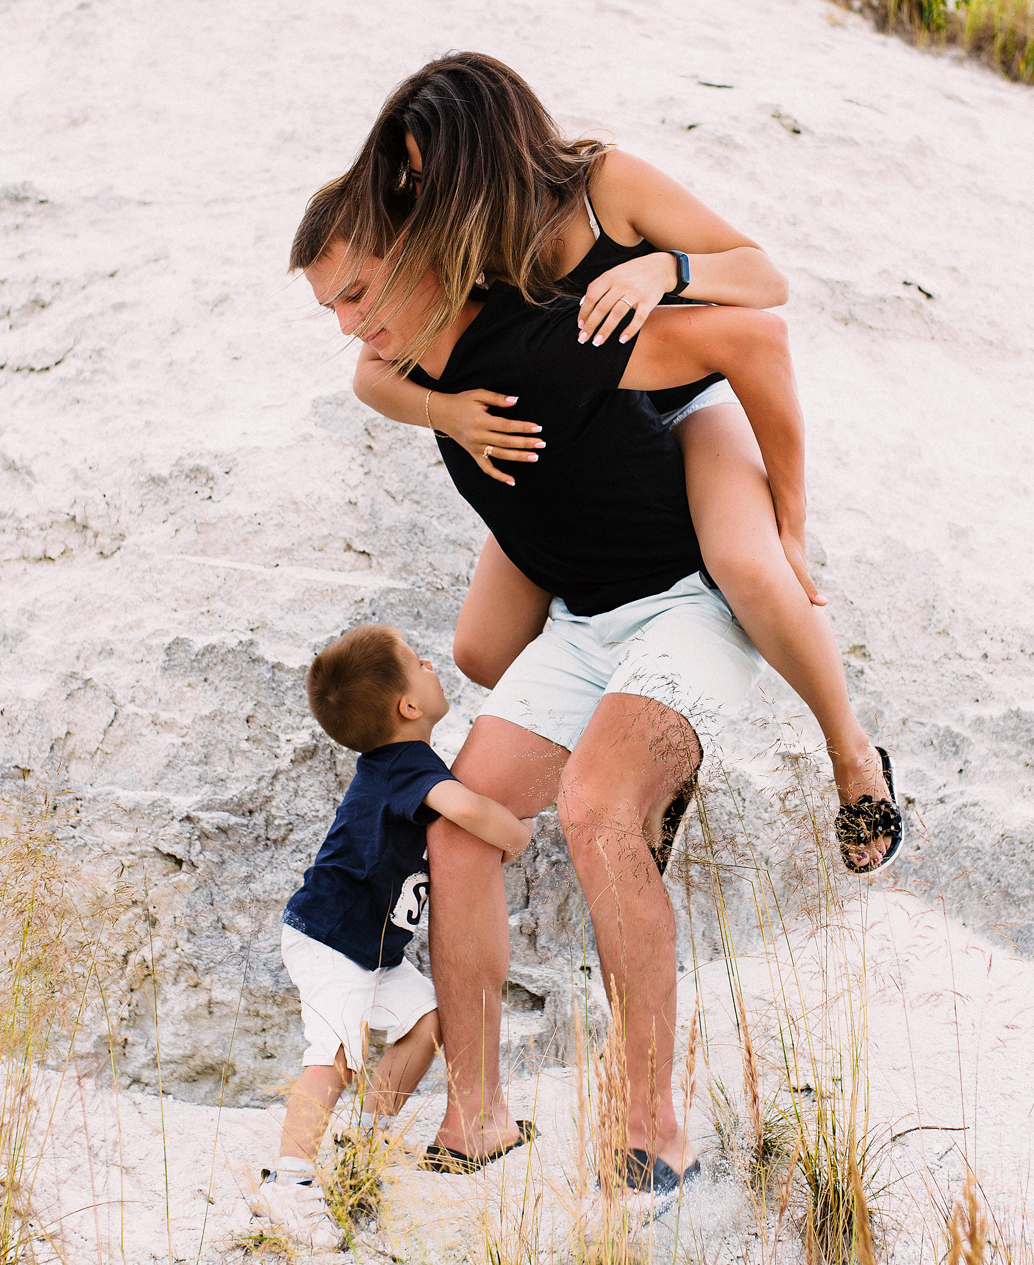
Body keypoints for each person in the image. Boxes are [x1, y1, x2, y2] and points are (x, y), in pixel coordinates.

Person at [293, 212, 900, 1208]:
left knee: (595, 807)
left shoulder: (553, 338)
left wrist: (788, 514)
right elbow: (365, 377)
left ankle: (653, 1126)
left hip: (689, 600)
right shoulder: (404, 364)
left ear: (418, 262)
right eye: (333, 308)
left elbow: (753, 334)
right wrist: (443, 413)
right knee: (455, 828)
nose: (351, 327)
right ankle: (477, 1115)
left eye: (359, 296)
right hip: (580, 621)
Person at [332, 53, 897, 855]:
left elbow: (765, 282)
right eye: (413, 183)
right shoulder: (463, 241)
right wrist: (447, 412)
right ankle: (655, 739)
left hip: (682, 406)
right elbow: (371, 370)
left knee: (748, 565)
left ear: (482, 156)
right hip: (578, 454)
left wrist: (662, 270)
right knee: (481, 651)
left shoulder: (607, 187)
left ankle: (852, 755)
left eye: (428, 178)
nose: (420, 199)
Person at [255, 625, 537, 1248]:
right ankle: (287, 1185)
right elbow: (463, 807)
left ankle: (367, 1140)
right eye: (418, 661)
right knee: (332, 1055)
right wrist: (513, 835)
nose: (432, 661)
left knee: (428, 1021)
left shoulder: (400, 763)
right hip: (332, 939)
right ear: (408, 707)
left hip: (372, 951)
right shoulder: (404, 767)